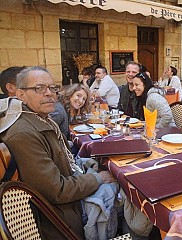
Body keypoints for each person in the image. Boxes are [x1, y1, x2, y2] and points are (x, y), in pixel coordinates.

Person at [0, 66, 116, 239]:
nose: (49, 93)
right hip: (59, 220)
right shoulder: (24, 133)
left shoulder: (39, 119)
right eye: (39, 88)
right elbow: (58, 190)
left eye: (52, 88)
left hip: (67, 201)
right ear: (20, 94)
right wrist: (98, 178)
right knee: (122, 190)